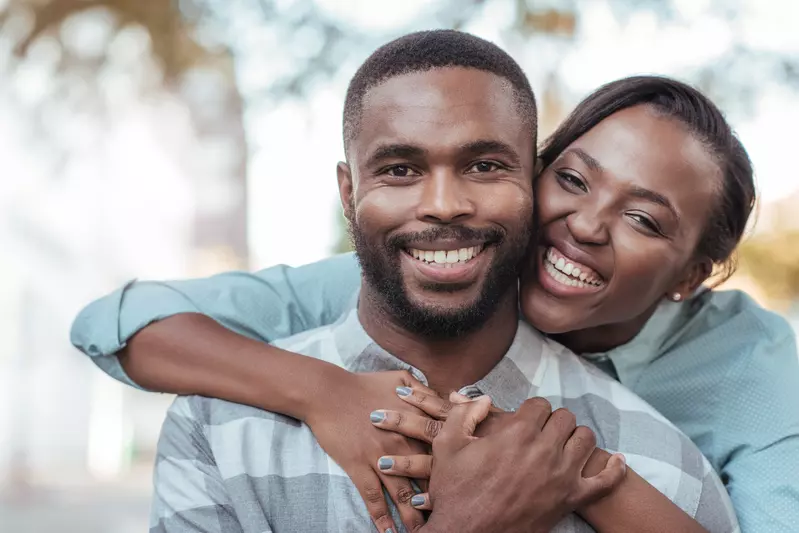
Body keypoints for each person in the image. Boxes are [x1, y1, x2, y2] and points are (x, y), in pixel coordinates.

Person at [70, 33, 789, 530]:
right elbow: (123, 322)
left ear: (689, 276)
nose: (586, 225)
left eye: (643, 219)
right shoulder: (421, 265)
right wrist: (323, 389)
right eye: (571, 180)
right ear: (538, 175)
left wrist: (585, 470)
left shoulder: (746, 381)